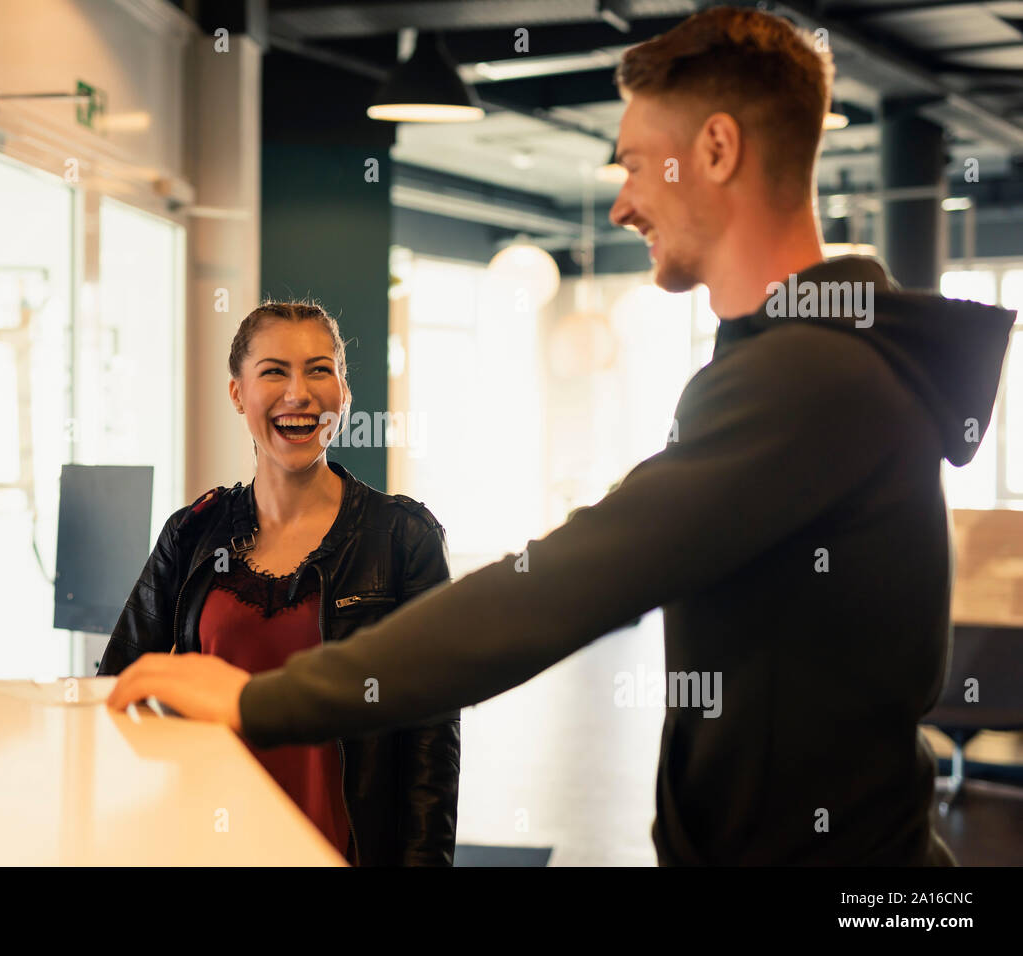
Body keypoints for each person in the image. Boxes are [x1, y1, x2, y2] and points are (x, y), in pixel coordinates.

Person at [106, 8, 1017, 865]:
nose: (620, 204)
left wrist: (260, 700)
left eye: (631, 164)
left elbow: (568, 584)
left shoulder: (811, 381)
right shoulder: (792, 367)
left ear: (716, 148)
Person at [97, 300, 459, 866]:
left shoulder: (402, 538)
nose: (299, 394)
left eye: (319, 370)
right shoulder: (192, 533)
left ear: (343, 391)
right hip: (208, 846)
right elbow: (114, 689)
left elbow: (430, 744)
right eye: (274, 371)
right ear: (238, 393)